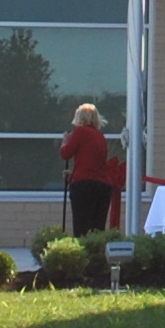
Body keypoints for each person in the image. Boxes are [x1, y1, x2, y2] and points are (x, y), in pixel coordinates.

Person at [59, 102, 117, 241]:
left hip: (84, 187)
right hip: (103, 186)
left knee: (81, 229)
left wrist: (65, 142)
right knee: (98, 229)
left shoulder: (80, 132)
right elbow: (95, 165)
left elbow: (65, 154)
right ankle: (97, 257)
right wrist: (73, 174)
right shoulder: (100, 136)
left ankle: (82, 258)